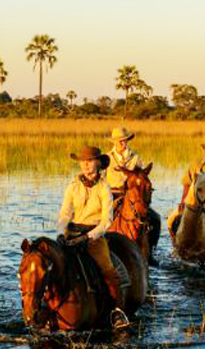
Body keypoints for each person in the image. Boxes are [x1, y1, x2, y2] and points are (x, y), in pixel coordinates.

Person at [57, 146, 130, 329]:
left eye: (89, 162)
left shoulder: (104, 187)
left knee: (108, 270)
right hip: (73, 232)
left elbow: (107, 220)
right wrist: (60, 232)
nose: (86, 166)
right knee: (53, 265)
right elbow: (65, 213)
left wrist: (89, 236)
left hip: (95, 235)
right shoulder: (73, 185)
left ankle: (117, 312)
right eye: (83, 162)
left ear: (98, 164)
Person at [105, 127, 142, 195]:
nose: (119, 143)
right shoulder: (106, 157)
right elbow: (101, 179)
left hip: (131, 194)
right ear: (113, 142)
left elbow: (140, 178)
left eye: (122, 140)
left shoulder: (135, 158)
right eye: (117, 140)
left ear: (126, 140)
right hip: (111, 193)